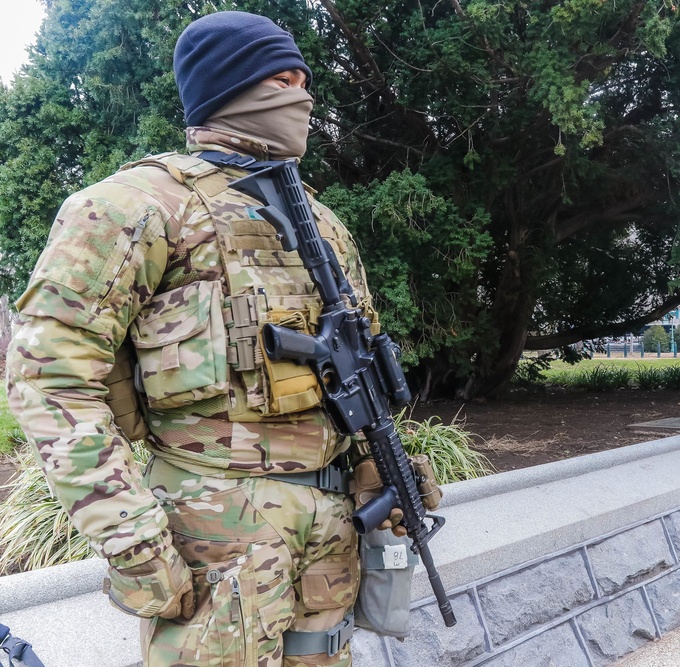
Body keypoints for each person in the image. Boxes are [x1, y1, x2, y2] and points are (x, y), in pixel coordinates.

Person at [6, 11, 393, 667]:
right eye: (282, 79)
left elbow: (357, 364)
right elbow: (49, 377)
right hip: (213, 542)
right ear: (228, 88)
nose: (301, 95)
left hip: (329, 537)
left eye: (304, 80)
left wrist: (386, 463)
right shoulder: (135, 205)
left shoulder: (323, 224)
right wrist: (131, 535)